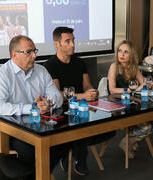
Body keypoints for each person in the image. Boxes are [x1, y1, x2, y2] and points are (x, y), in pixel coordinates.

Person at [0, 35, 70, 173]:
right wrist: (31, 108)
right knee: (31, 151)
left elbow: (57, 96)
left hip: (38, 125)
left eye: (35, 51)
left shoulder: (41, 70)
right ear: (14, 55)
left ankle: (38, 175)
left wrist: (48, 103)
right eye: (29, 52)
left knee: (64, 141)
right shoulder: (2, 74)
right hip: (11, 129)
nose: (34, 56)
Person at [44, 26, 115, 176]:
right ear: (57, 44)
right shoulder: (50, 65)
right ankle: (79, 157)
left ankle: (68, 149)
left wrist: (92, 92)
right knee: (78, 127)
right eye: (67, 41)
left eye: (73, 40)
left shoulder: (79, 62)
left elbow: (87, 85)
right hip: (62, 110)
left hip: (83, 107)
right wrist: (83, 96)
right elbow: (57, 94)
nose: (73, 44)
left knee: (110, 126)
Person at [107, 40, 153, 159]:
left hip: (132, 105)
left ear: (131, 54)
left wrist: (150, 83)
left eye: (126, 52)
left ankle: (129, 141)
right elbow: (112, 90)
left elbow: (143, 84)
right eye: (119, 51)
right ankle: (129, 142)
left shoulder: (134, 68)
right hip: (117, 107)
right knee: (147, 125)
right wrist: (132, 90)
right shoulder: (114, 67)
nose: (121, 55)